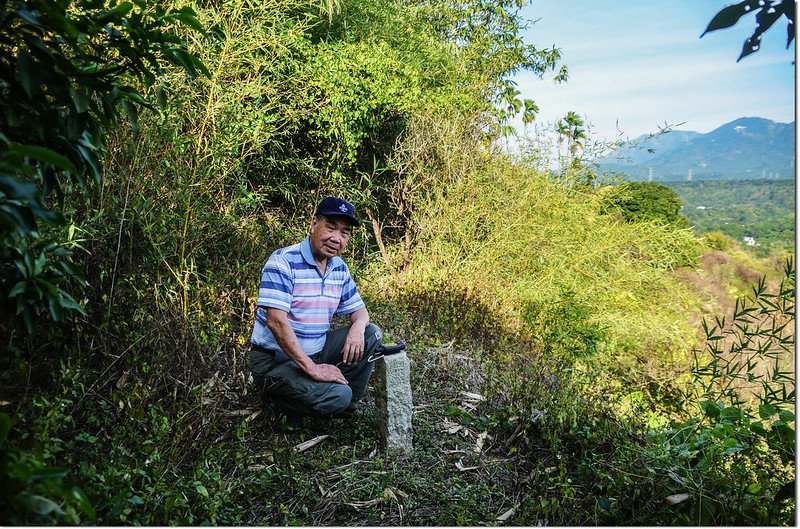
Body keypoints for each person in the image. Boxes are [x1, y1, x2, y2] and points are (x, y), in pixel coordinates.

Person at [249, 196, 382, 422]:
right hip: (276, 362)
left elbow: (361, 313)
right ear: (313, 224)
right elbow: (275, 321)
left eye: (344, 233)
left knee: (371, 333)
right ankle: (277, 402)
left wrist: (358, 328)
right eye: (330, 228)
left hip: (316, 352)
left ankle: (344, 407)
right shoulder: (283, 262)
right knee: (338, 396)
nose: (336, 238)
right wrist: (313, 369)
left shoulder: (338, 268)